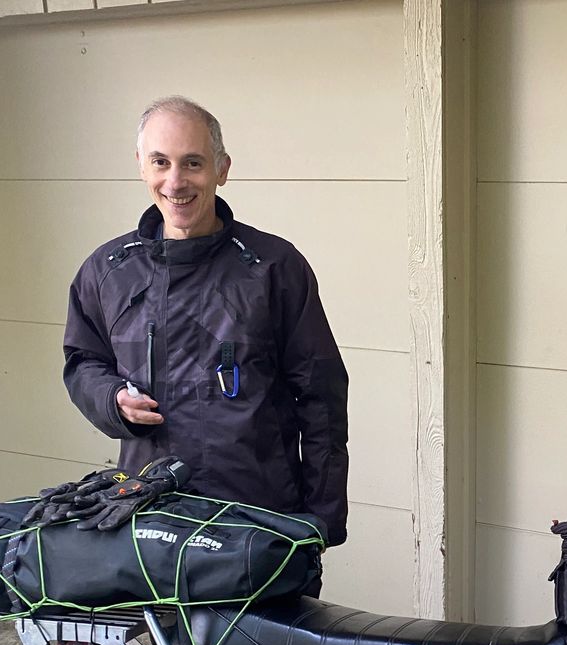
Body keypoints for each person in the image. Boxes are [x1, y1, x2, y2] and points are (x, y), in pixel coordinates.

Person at [61, 96, 350, 549]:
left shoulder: (273, 267)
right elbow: (83, 361)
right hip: (150, 513)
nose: (175, 182)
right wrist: (112, 400)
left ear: (221, 168)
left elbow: (321, 400)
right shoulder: (107, 271)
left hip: (257, 518)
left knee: (255, 624)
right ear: (141, 165)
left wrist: (321, 521)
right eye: (160, 162)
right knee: (164, 623)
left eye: (192, 163)